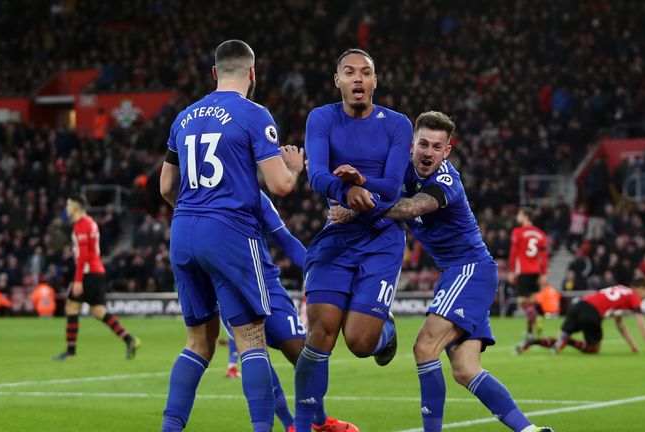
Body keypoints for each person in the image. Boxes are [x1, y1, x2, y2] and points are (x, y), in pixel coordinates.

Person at [330, 111, 553, 432]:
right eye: (423, 144)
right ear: (412, 145)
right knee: (465, 369)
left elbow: (413, 208)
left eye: (437, 147)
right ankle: (530, 431)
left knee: (424, 348)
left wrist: (356, 207)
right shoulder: (400, 172)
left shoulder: (447, 180)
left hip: (471, 270)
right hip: (458, 273)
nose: (428, 153)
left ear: (447, 151)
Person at [159, 39, 304, 432]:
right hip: (228, 232)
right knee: (251, 337)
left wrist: (196, 206)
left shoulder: (184, 117)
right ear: (252, 73)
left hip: (183, 228)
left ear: (214, 73)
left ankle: (170, 428)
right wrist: (295, 166)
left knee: (199, 344)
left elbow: (166, 186)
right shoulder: (254, 114)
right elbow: (280, 186)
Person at [293, 48, 413, 432]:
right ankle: (308, 424)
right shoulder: (321, 118)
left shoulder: (397, 124)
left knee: (360, 343)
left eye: (366, 73)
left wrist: (358, 186)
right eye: (350, 72)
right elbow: (317, 175)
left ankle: (385, 331)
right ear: (338, 81)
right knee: (319, 333)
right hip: (337, 237)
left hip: (381, 239)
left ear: (375, 81)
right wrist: (345, 192)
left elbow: (393, 187)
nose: (358, 79)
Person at [223, 191, 358, 432]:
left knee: (303, 354)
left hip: (268, 285)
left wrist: (314, 271)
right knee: (257, 359)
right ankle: (290, 425)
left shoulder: (255, 196)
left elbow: (284, 239)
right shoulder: (201, 196)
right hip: (227, 290)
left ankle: (320, 421)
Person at [53, 194, 141, 361]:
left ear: (76, 207)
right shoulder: (91, 223)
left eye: (68, 204)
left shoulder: (81, 225)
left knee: (71, 307)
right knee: (98, 310)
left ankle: (71, 352)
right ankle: (129, 339)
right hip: (97, 271)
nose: (66, 208)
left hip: (88, 273)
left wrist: (78, 280)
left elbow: (84, 255)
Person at [517, 279, 645, 355]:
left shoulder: (622, 291)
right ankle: (567, 339)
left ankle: (531, 341)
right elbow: (642, 325)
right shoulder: (633, 296)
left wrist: (633, 347)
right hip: (592, 313)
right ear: (640, 288)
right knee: (594, 348)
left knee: (560, 339)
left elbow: (620, 325)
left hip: (580, 305)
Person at [508, 207, 548, 339]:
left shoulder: (518, 232)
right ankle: (530, 332)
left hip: (524, 270)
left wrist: (512, 271)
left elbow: (514, 253)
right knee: (531, 302)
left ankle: (535, 317)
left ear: (525, 216)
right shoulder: (540, 234)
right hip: (536, 270)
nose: (517, 217)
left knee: (522, 301)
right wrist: (543, 273)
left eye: (519, 214)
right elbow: (544, 255)